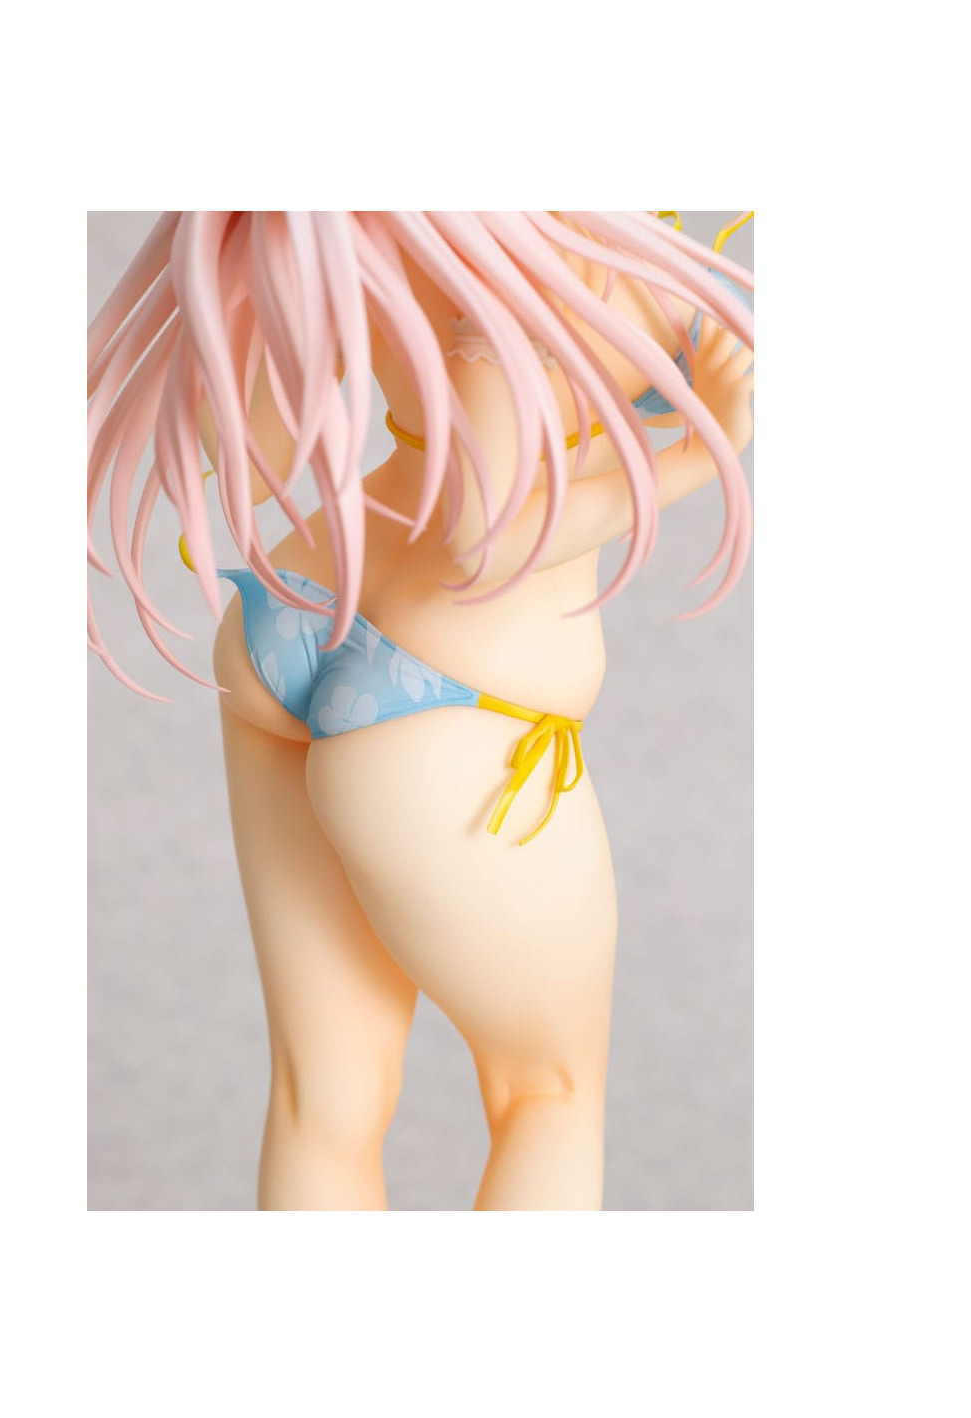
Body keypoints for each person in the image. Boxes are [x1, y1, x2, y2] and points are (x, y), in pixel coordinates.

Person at [88, 211, 754, 1209]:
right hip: (444, 701)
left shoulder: (361, 225)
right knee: (546, 1094)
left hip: (292, 617)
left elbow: (258, 449)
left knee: (322, 1099)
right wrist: (705, 449)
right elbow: (487, 542)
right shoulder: (543, 249)